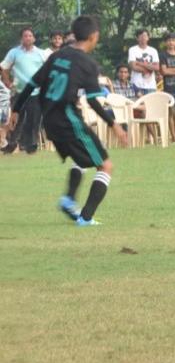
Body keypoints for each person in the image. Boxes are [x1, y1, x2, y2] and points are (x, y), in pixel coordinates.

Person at [5, 15, 127, 226]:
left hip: (49, 120)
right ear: (93, 36)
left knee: (81, 157)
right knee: (105, 166)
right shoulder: (88, 64)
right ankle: (85, 218)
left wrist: (15, 109)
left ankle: (69, 200)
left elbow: (32, 83)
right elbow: (93, 101)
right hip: (68, 118)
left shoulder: (57, 55)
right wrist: (113, 124)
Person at [1, 26, 47, 154]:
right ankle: (11, 144)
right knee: (16, 119)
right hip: (19, 91)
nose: (28, 38)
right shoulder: (14, 52)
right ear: (21, 38)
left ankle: (31, 145)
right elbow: (4, 68)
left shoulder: (41, 53)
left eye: (30, 36)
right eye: (25, 36)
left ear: (34, 38)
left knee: (34, 119)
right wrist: (7, 82)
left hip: (36, 92)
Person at [127, 28, 159, 96]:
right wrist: (150, 68)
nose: (143, 38)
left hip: (151, 86)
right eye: (141, 36)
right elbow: (133, 67)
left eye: (145, 36)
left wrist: (140, 63)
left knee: (151, 103)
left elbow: (156, 67)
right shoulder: (132, 50)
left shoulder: (153, 50)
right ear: (137, 38)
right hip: (136, 85)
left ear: (148, 38)